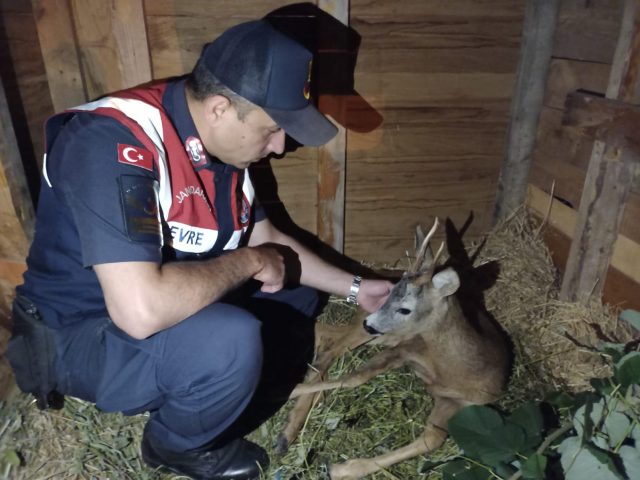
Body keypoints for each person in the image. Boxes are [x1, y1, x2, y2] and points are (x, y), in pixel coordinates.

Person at [7, 18, 392, 480]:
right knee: (229, 341)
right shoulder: (111, 144)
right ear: (219, 109)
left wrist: (356, 288)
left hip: (147, 305)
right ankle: (175, 447)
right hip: (77, 330)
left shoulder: (214, 139)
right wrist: (251, 262)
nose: (281, 145)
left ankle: (220, 389)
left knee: (298, 292)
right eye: (272, 129)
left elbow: (265, 239)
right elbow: (141, 311)